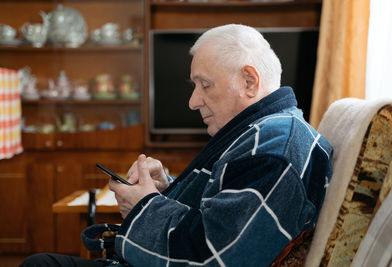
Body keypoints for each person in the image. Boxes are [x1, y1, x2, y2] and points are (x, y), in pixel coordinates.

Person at [20, 24, 333, 267]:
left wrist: (145, 206)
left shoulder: (275, 150)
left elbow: (214, 258)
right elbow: (224, 214)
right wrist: (165, 189)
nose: (193, 101)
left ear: (249, 82)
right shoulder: (264, 135)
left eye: (205, 85)